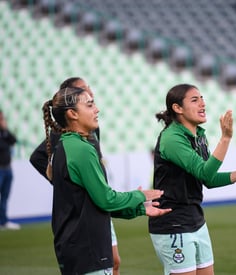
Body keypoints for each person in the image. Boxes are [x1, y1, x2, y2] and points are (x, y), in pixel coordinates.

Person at [41, 86, 171, 274]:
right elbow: (105, 199)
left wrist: (140, 208)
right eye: (90, 104)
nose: (97, 109)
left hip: (75, 250)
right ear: (72, 114)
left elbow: (94, 204)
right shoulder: (80, 150)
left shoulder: (65, 146)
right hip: (89, 250)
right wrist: (139, 195)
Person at [148, 84, 236, 275]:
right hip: (172, 222)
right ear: (177, 108)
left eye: (202, 98)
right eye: (195, 100)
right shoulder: (171, 138)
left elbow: (210, 179)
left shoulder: (199, 136)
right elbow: (205, 173)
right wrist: (225, 139)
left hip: (196, 219)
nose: (202, 104)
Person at [30, 77, 123, 275]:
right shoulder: (67, 138)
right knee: (106, 261)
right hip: (86, 219)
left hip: (95, 210)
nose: (91, 92)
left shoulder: (88, 130)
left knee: (114, 261)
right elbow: (37, 157)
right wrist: (61, 179)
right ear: (71, 112)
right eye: (85, 92)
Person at [0, 109, 19, 230]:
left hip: (7, 168)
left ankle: (3, 221)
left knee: (5, 196)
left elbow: (13, 140)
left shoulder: (4, 133)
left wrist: (5, 129)